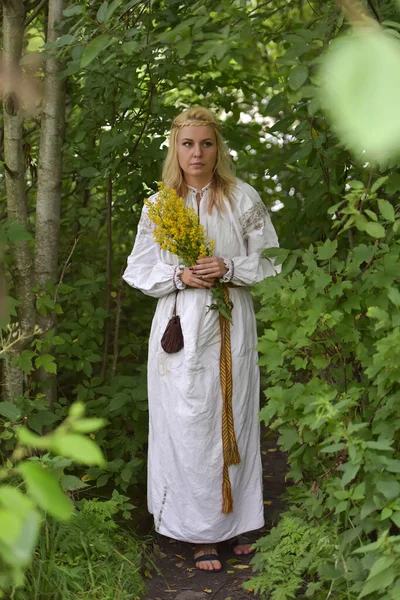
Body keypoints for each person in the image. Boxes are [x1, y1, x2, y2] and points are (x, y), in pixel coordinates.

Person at [123, 107, 280, 572]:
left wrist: (228, 268)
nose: (197, 153)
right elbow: (137, 269)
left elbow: (271, 260)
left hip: (232, 322)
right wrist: (179, 275)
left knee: (233, 414)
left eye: (206, 143)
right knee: (189, 422)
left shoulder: (242, 198)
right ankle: (199, 533)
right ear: (175, 147)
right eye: (188, 144)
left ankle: (240, 523)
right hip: (182, 325)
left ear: (218, 148)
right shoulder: (159, 205)